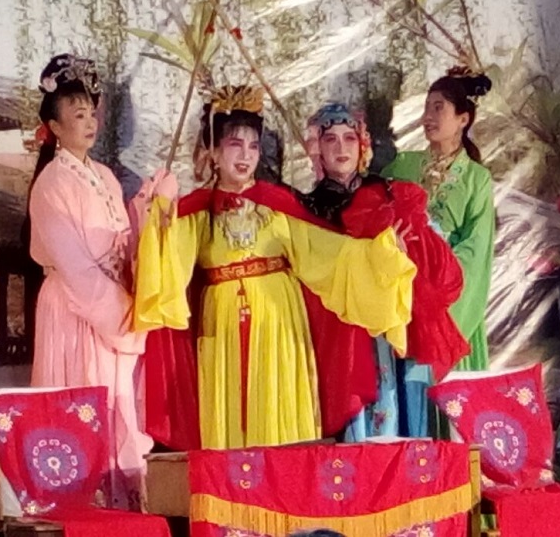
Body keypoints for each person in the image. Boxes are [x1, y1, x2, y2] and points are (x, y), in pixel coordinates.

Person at [133, 85, 416, 450]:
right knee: (228, 412)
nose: (245, 156)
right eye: (235, 144)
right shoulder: (197, 210)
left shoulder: (277, 204)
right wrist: (158, 215)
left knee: (278, 412)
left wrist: (383, 253)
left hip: (280, 324)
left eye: (253, 146)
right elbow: (167, 266)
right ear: (214, 152)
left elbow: (331, 253)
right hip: (222, 325)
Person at [27, 54, 154, 509]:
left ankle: (124, 511)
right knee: (85, 406)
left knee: (118, 406)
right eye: (76, 114)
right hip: (76, 309)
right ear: (54, 127)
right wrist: (121, 316)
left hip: (109, 307)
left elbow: (123, 242)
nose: (88, 121)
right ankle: (83, 513)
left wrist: (148, 212)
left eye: (91, 113)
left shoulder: (103, 176)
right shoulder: (50, 184)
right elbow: (75, 266)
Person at [300, 103, 468, 440]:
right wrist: (376, 254)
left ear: (362, 145)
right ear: (317, 149)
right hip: (344, 328)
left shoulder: (388, 192)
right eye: (330, 139)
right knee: (358, 423)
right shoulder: (309, 209)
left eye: (349, 138)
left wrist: (408, 252)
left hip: (398, 322)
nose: (341, 148)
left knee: (406, 412)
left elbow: (426, 241)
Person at [382, 68, 495, 371]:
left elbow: (476, 246)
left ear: (463, 119)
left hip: (446, 295)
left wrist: (439, 280)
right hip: (404, 288)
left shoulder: (477, 179)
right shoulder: (402, 166)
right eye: (426, 108)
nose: (427, 117)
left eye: (438, 108)